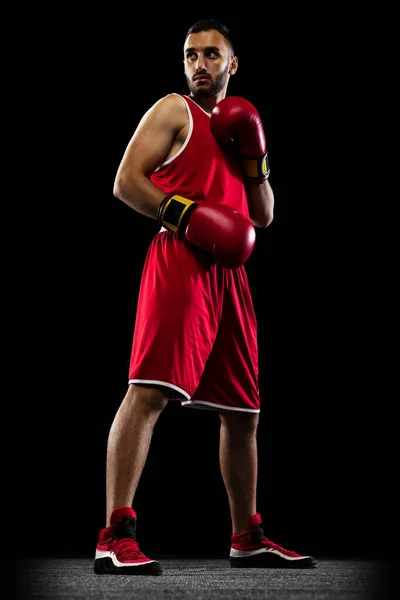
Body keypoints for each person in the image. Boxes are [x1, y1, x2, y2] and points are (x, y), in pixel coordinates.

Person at [94, 18, 317, 575]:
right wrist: (188, 214)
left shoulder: (240, 129)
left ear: (232, 64)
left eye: (211, 55)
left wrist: (256, 158)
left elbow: (263, 216)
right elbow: (126, 182)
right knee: (148, 392)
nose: (199, 65)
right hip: (181, 260)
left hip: (231, 276)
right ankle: (114, 533)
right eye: (191, 55)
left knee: (244, 413)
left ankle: (248, 536)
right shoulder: (174, 110)